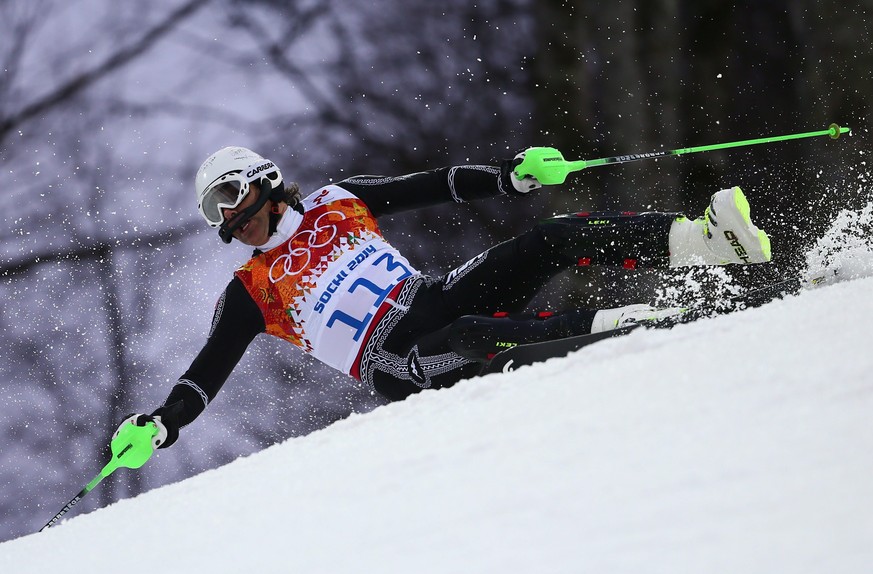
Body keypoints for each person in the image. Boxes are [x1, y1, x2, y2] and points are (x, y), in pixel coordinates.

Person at [119, 146, 771, 449]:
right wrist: (163, 422)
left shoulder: (335, 202)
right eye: (214, 212)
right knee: (472, 338)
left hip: (433, 294)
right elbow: (205, 375)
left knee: (543, 241)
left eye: (227, 196)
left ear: (262, 180)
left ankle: (703, 242)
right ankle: (636, 326)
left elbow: (432, 185)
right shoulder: (249, 292)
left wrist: (508, 178)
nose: (227, 218)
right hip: (396, 360)